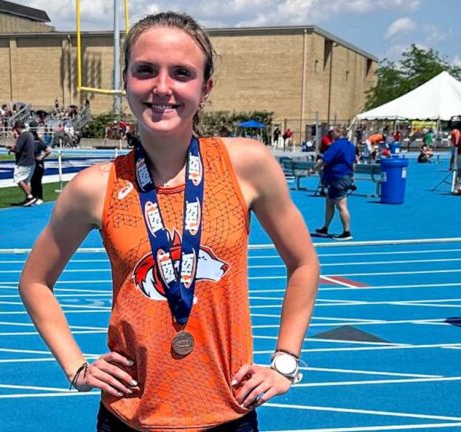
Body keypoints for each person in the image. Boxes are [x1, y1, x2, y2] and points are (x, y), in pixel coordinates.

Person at [18, 12, 319, 431]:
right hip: (129, 417)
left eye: (181, 73)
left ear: (205, 87)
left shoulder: (247, 165)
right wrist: (77, 367)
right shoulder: (94, 187)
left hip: (229, 414)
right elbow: (34, 281)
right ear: (125, 79)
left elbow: (303, 263)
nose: (162, 88)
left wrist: (285, 363)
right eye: (145, 71)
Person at [311, 127, 356, 241]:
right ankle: (325, 228)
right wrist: (352, 176)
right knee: (329, 202)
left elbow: (324, 160)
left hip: (338, 177)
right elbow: (353, 162)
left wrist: (313, 169)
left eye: (331, 132)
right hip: (342, 177)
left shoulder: (336, 146)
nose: (329, 135)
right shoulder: (350, 146)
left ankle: (346, 232)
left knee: (341, 205)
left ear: (338, 133)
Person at [9, 120, 36, 206]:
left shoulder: (23, 136)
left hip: (24, 162)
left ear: (17, 128)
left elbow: (17, 149)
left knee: (18, 179)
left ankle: (30, 196)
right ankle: (28, 199)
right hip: (31, 161)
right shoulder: (29, 135)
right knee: (27, 181)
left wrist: (10, 148)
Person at [29, 122, 51, 206]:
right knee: (32, 181)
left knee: (37, 181)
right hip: (31, 163)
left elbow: (48, 150)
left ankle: (40, 197)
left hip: (38, 164)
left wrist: (42, 157)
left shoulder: (38, 142)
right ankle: (33, 196)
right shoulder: (30, 142)